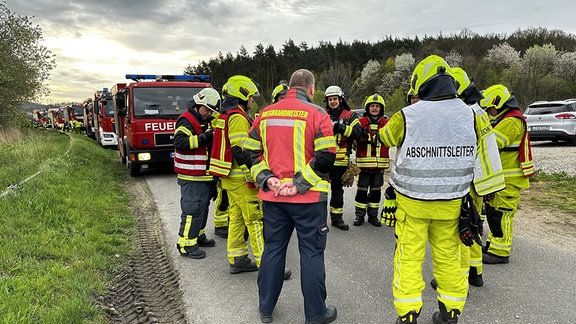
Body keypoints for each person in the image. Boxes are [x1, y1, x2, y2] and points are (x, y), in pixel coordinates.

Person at [378, 55, 503, 324]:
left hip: (412, 205)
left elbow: (385, 137)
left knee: (408, 258)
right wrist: (487, 191)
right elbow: (489, 155)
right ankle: (450, 313)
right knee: (449, 258)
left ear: (421, 84)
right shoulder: (474, 115)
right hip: (452, 205)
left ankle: (408, 314)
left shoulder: (406, 115)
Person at [244, 69, 338, 324]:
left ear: (289, 87)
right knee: (311, 254)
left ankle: (265, 309)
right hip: (309, 200)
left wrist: (268, 179)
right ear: (311, 89)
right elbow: (327, 156)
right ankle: (316, 314)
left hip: (274, 198)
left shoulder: (265, 113)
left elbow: (249, 153)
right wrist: (299, 184)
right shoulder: (318, 114)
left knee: (273, 250)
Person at [429, 67, 505, 290]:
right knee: (472, 228)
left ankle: (457, 280)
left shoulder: (464, 114)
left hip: (465, 182)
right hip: (481, 182)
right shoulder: (478, 112)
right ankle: (475, 273)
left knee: (458, 232)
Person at [209, 75, 264, 273]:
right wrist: (255, 175)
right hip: (242, 179)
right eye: (250, 97)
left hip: (229, 178)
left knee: (237, 218)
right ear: (241, 95)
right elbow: (241, 152)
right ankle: (267, 266)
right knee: (255, 220)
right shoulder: (238, 118)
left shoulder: (226, 115)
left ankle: (237, 258)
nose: (252, 101)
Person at [479, 84, 533, 264]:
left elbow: (492, 143)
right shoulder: (504, 119)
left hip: (510, 179)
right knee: (494, 213)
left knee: (502, 214)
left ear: (499, 103)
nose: (490, 112)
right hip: (502, 177)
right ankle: (494, 243)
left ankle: (501, 252)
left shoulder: (511, 121)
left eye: (491, 108)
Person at [174, 87, 221, 259]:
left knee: (202, 208)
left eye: (211, 111)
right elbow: (180, 142)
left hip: (202, 175)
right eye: (207, 110)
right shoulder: (186, 120)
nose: (209, 114)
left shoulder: (202, 120)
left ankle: (198, 236)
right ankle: (186, 244)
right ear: (198, 104)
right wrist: (204, 138)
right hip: (191, 175)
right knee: (192, 209)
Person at [324, 85, 362, 230]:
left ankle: (336, 219)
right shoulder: (322, 114)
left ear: (341, 99)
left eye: (335, 99)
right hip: (324, 160)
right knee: (319, 192)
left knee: (337, 191)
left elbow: (358, 132)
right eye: (330, 99)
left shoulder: (350, 115)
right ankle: (319, 221)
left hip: (341, 161)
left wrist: (340, 127)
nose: (333, 102)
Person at [353, 94, 389, 227]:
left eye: (377, 106)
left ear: (381, 109)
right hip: (363, 165)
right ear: (368, 108)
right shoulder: (360, 122)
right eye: (372, 106)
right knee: (361, 191)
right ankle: (359, 215)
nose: (374, 108)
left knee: (376, 192)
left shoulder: (386, 124)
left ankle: (373, 216)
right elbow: (353, 139)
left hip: (379, 166)